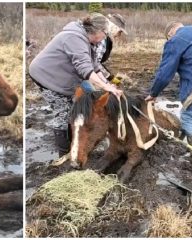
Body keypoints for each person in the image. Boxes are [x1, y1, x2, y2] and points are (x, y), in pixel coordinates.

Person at [29, 13, 123, 156]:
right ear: (97, 31)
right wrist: (106, 87)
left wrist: (108, 84)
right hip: (45, 76)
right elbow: (85, 68)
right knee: (63, 112)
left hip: (61, 76)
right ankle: (64, 154)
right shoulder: (74, 38)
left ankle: (76, 141)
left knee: (74, 106)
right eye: (105, 34)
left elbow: (95, 66)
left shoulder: (87, 40)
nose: (105, 37)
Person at [93, 13, 128, 83]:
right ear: (114, 27)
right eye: (120, 31)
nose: (119, 35)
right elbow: (95, 63)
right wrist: (109, 78)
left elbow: (97, 61)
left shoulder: (102, 34)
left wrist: (110, 76)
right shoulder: (102, 39)